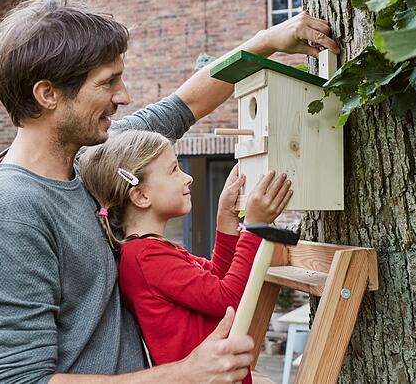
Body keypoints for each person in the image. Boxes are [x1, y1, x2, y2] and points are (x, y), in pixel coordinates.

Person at [0, 0, 339, 384]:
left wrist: (268, 41)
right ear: (48, 94)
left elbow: (184, 105)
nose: (124, 96)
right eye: (108, 82)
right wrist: (185, 374)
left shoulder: (95, 159)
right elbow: (20, 380)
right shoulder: (10, 216)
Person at [79, 130, 292, 384]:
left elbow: (217, 281)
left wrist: (225, 218)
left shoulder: (153, 251)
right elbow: (230, 299)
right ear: (141, 196)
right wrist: (254, 227)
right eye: (174, 170)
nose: (188, 178)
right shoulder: (146, 257)